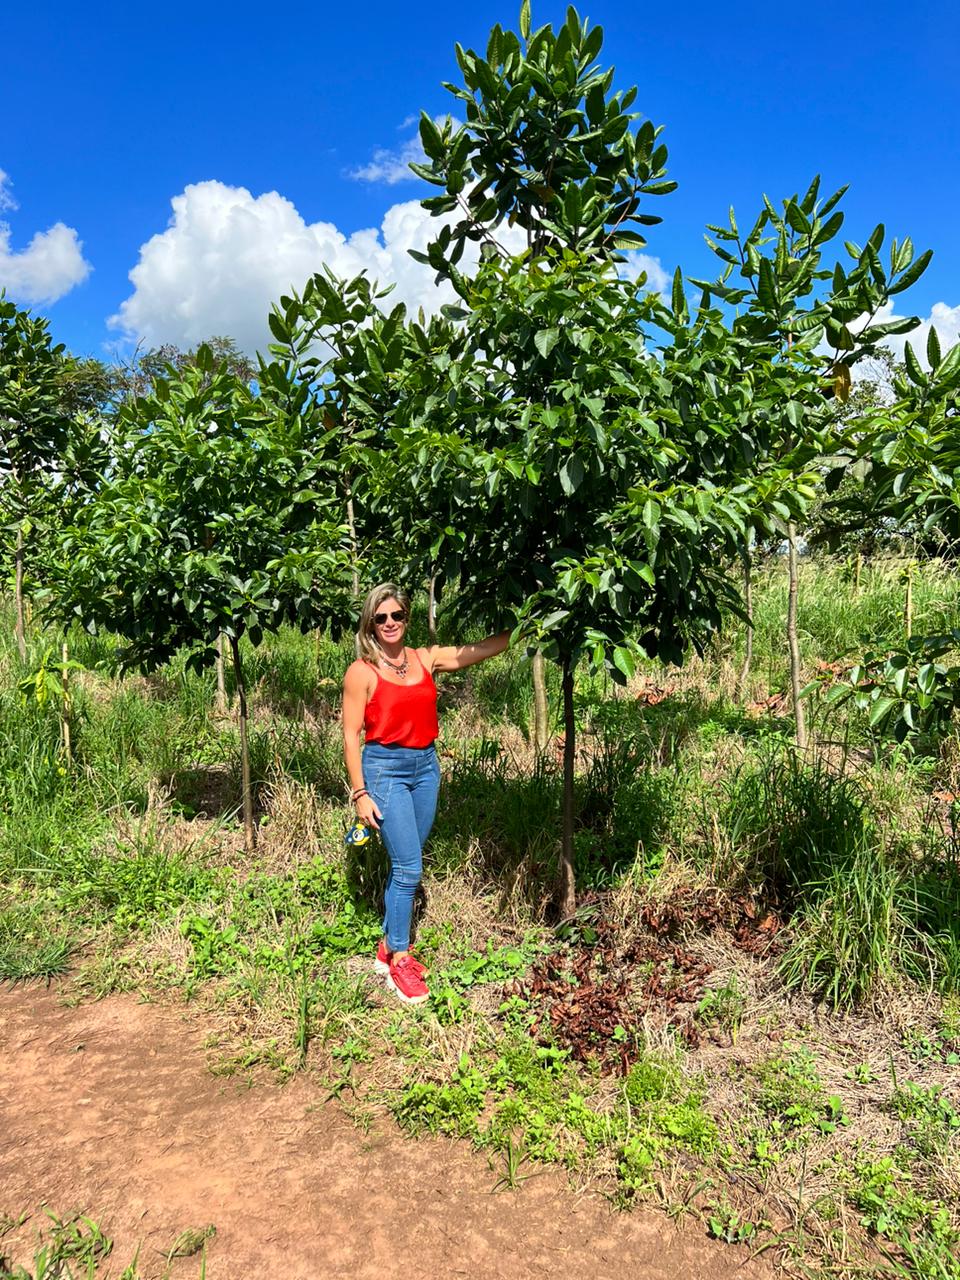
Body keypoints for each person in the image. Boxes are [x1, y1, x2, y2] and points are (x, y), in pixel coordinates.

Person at [342, 583, 509, 1005]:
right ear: (370, 624)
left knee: (409, 858)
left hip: (426, 767)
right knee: (409, 867)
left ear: (407, 617)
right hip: (385, 769)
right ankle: (399, 958)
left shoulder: (425, 658)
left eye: (396, 615)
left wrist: (523, 631)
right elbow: (349, 736)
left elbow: (474, 651)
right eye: (381, 618)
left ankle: (386, 945)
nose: (390, 623)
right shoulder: (361, 671)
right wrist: (360, 793)